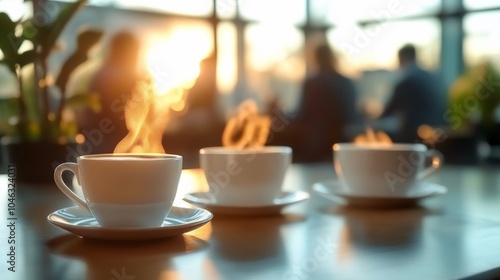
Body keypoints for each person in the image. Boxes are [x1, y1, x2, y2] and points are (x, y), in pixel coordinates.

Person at [76, 31, 142, 153]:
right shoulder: (124, 76)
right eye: (136, 51)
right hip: (113, 145)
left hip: (94, 143)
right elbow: (125, 116)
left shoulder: (101, 73)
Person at [292, 44, 359, 162]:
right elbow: (353, 115)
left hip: (318, 146)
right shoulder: (347, 82)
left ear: (316, 59)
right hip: (346, 145)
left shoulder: (312, 84)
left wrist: (281, 114)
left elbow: (303, 115)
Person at [380, 44, 447, 142]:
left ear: (401, 59)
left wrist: (372, 119)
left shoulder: (407, 81)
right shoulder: (433, 77)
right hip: (439, 132)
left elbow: (388, 110)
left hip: (416, 136)